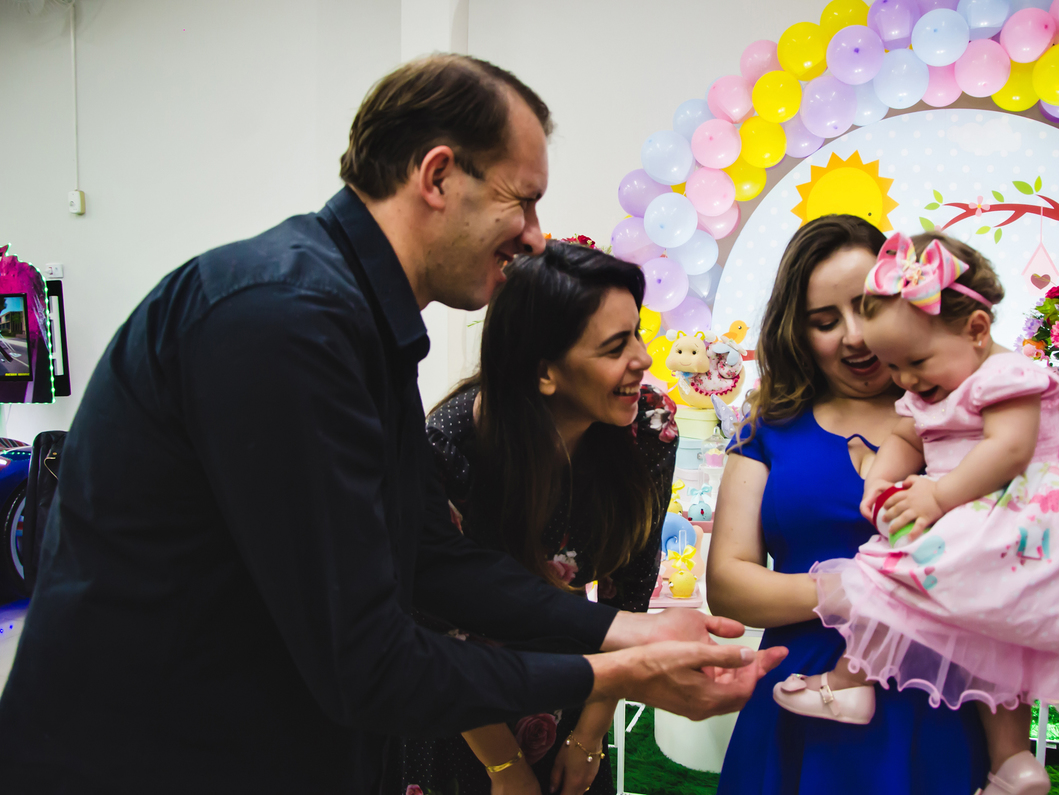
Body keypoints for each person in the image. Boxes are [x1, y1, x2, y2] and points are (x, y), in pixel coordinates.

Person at [0, 54, 784, 793]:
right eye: (522, 199)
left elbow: (431, 557)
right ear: (437, 176)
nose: (536, 235)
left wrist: (624, 631)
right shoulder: (284, 320)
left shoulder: (358, 326)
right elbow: (367, 658)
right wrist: (612, 672)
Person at [776, 231, 1059, 795]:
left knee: (888, 579)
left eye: (916, 362)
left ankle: (849, 682)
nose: (906, 380)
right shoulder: (934, 383)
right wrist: (881, 478)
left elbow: (1009, 449)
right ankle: (1012, 763)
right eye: (895, 367)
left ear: (977, 330)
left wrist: (939, 498)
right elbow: (906, 434)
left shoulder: (1006, 375)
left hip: (1015, 511)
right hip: (977, 507)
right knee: (992, 645)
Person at [708, 215, 989, 794]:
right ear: (797, 330)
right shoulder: (769, 425)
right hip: (800, 698)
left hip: (935, 703)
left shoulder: (965, 417)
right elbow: (730, 586)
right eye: (825, 321)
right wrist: (854, 590)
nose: (855, 336)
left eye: (865, 307)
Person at [389, 240, 677, 795]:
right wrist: (504, 768)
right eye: (615, 346)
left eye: (637, 334)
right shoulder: (449, 448)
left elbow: (630, 595)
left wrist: (588, 736)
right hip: (461, 710)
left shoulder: (647, 430)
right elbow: (435, 630)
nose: (643, 358)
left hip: (574, 688)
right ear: (544, 371)